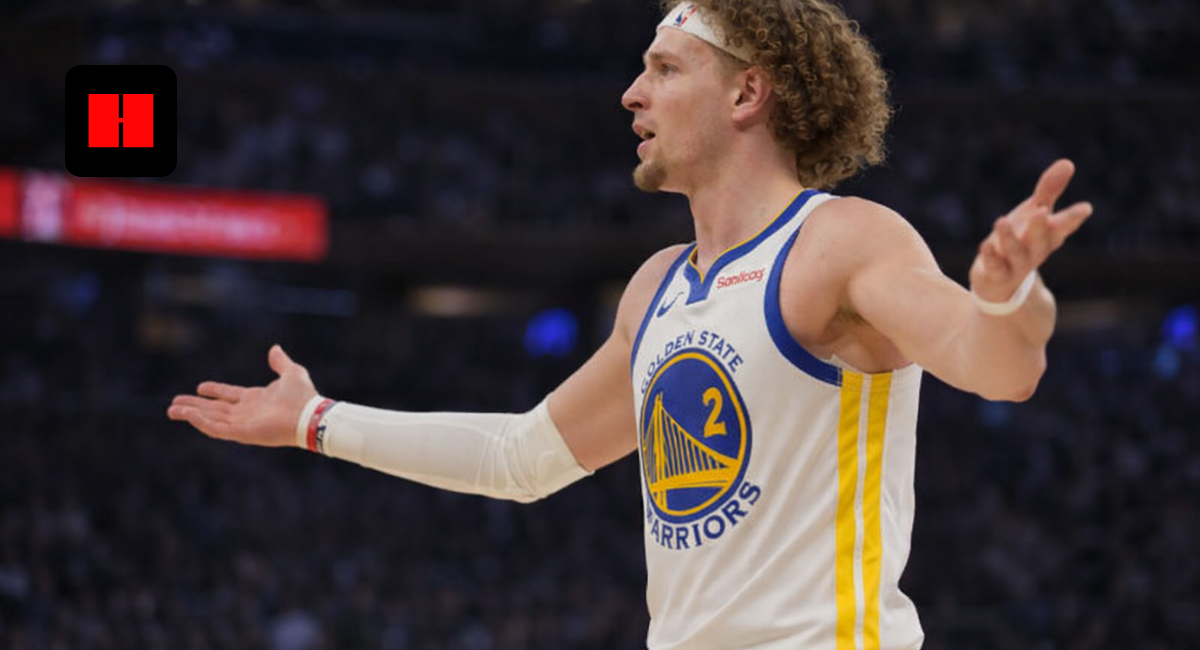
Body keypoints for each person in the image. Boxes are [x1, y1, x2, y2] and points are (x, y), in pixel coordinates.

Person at [168, 1, 1093, 648]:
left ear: (746, 95)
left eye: (662, 68)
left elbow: (997, 366)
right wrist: (314, 421)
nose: (630, 94)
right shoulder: (658, 289)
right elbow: (523, 459)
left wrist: (1014, 295)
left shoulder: (841, 242)